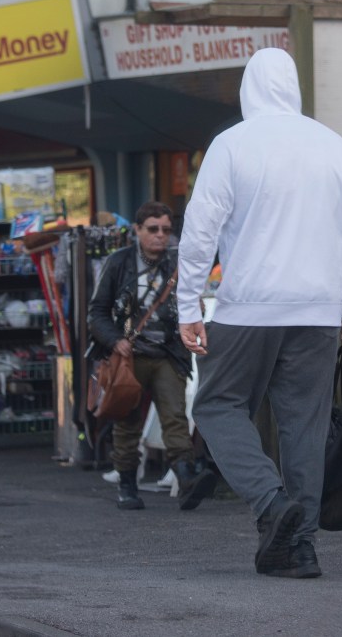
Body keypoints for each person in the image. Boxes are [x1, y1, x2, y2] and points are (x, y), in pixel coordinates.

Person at [177, 48, 342, 579]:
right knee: (303, 428)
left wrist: (188, 304)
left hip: (249, 307)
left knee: (218, 406)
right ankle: (299, 549)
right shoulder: (334, 146)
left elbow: (200, 231)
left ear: (248, 89)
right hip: (317, 311)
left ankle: (270, 502)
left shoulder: (232, 144)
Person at [88, 201, 216, 511]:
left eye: (166, 230)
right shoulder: (119, 262)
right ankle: (128, 486)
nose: (160, 236)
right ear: (137, 230)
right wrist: (115, 340)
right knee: (127, 420)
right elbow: (97, 312)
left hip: (167, 352)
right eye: (153, 229)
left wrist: (193, 307)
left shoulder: (177, 263)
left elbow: (189, 302)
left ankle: (186, 478)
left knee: (174, 416)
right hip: (129, 355)